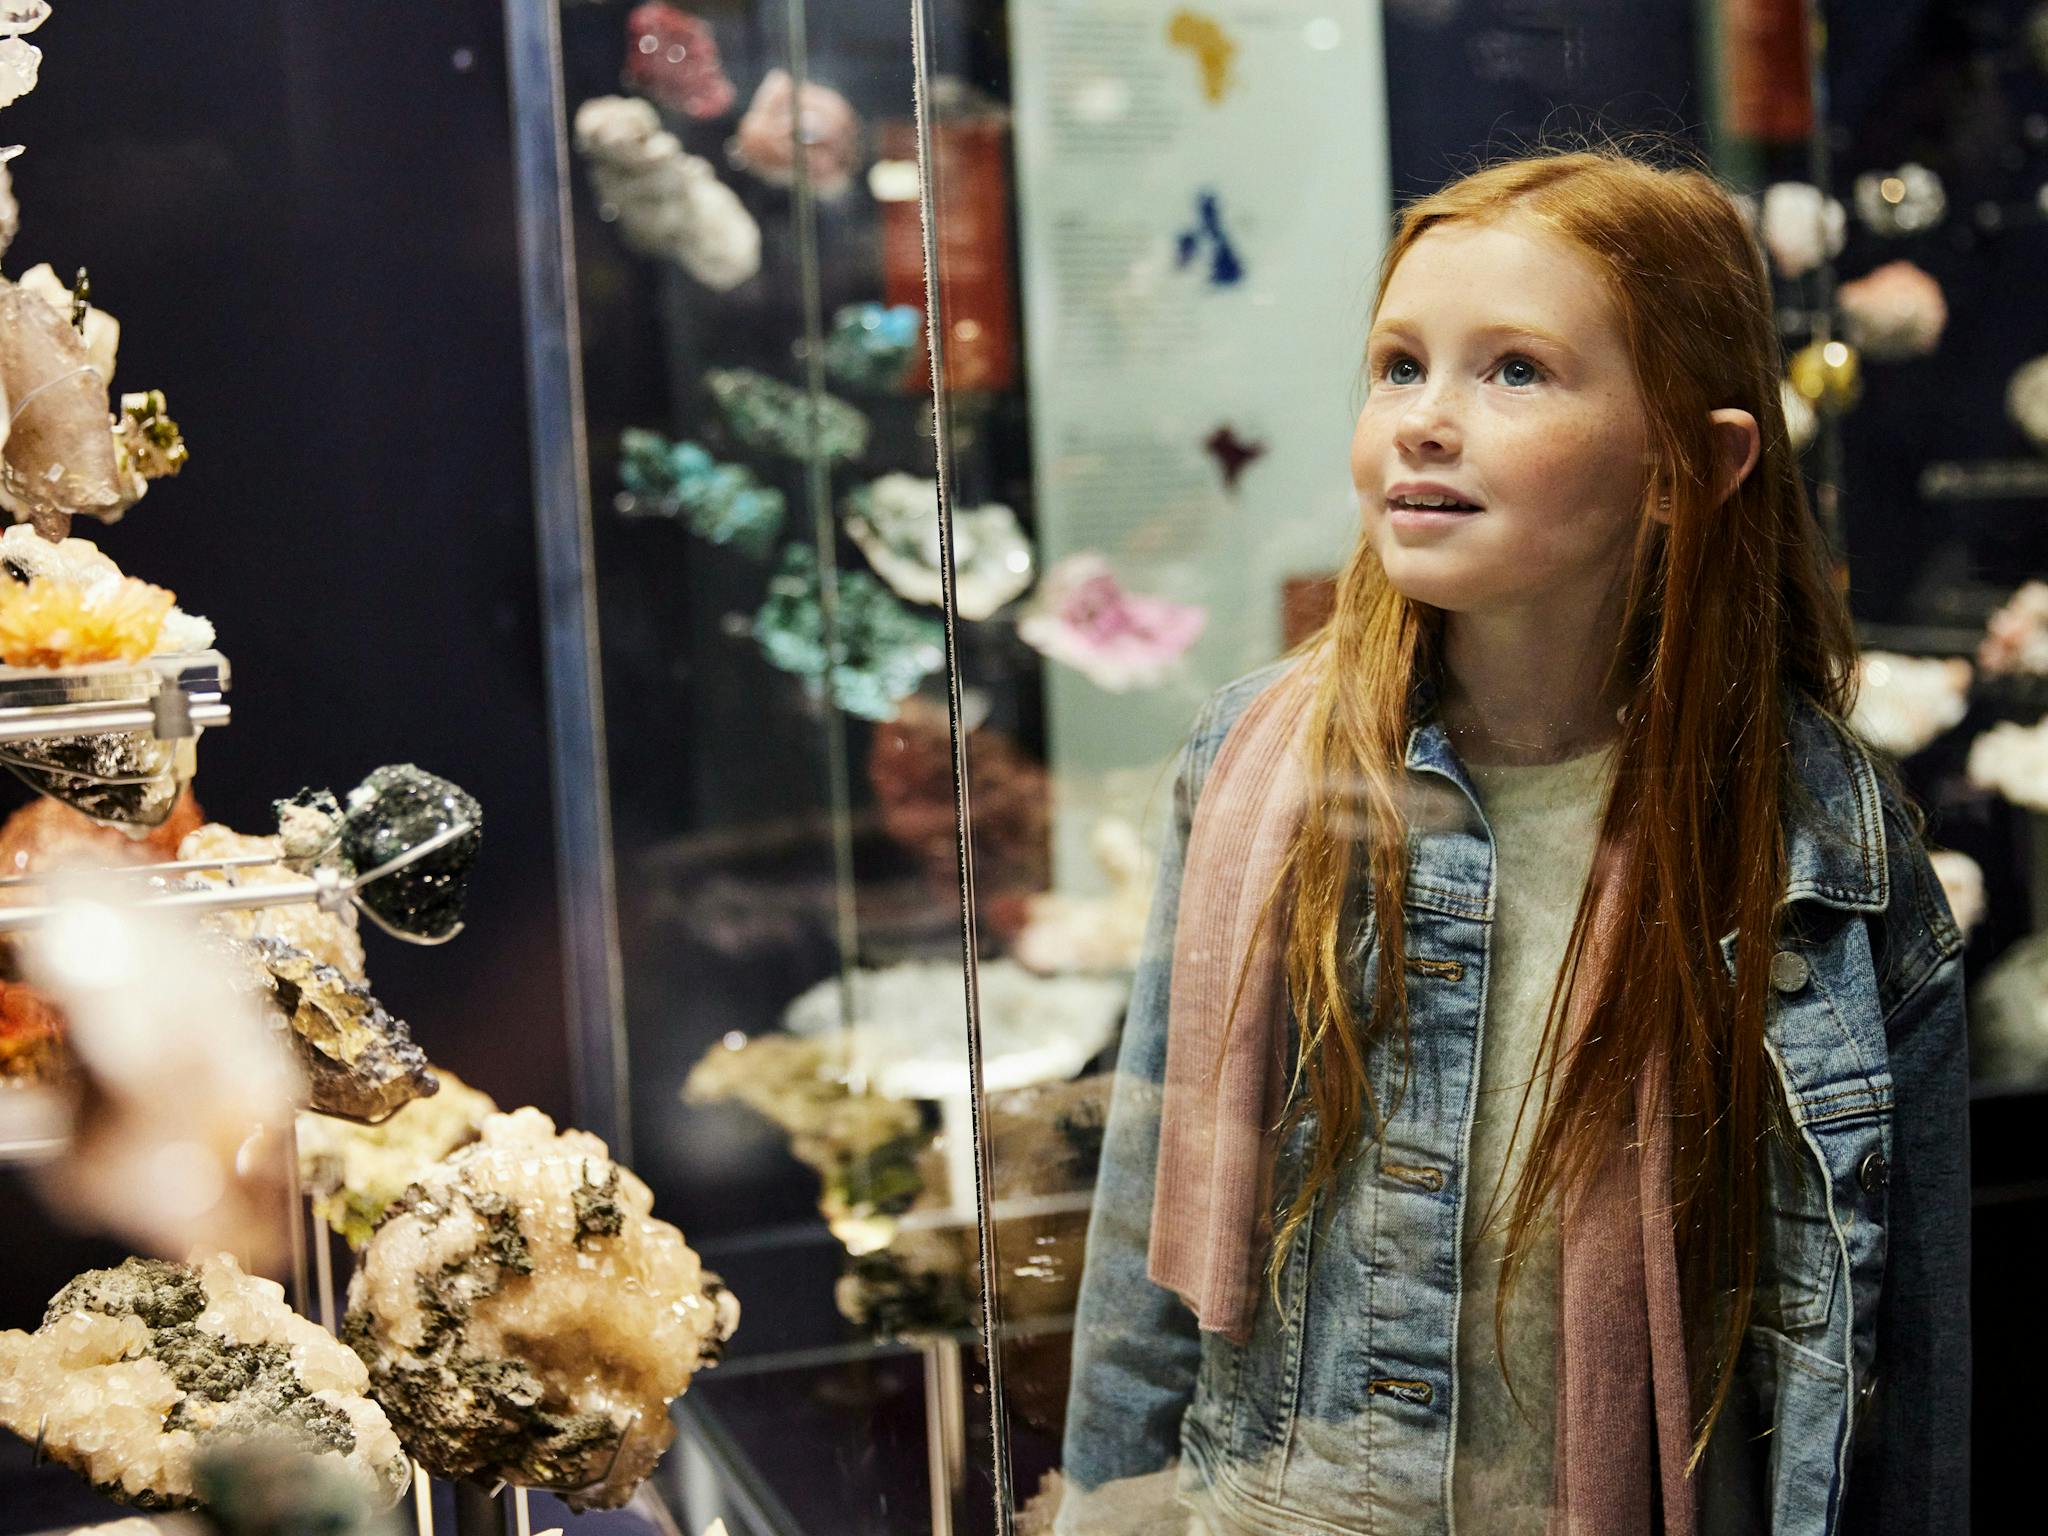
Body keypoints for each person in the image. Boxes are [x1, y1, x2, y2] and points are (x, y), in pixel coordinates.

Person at [1056, 146, 1969, 1536]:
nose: (1423, 422)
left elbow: (1910, 1360)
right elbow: (1145, 1242)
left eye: (1516, 371)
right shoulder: (1265, 769)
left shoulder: (1822, 841)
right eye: (1398, 365)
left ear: (1691, 466)